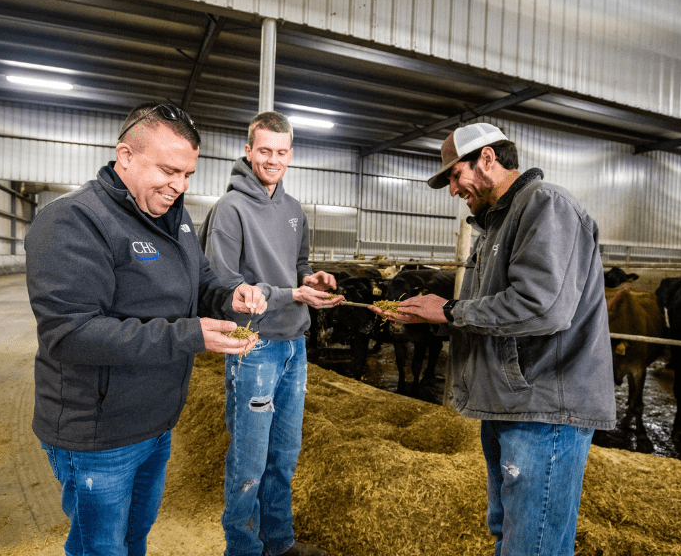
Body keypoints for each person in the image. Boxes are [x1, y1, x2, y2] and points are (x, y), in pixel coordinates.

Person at [25, 102, 266, 556]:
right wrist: (190, 335)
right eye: (170, 170)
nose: (180, 185)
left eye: (188, 174)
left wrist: (230, 296)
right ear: (126, 155)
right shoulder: (72, 221)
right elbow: (70, 333)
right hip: (98, 432)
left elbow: (202, 282)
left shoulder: (175, 218)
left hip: (155, 423)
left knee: (134, 538)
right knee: (101, 549)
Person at [370, 122, 615, 556]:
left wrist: (449, 310)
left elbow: (542, 306)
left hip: (544, 408)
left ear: (487, 158)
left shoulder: (545, 206)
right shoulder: (499, 223)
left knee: (532, 544)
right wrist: (437, 313)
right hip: (512, 403)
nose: (452, 190)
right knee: (509, 532)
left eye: (454, 175)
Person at [199, 111, 340, 556]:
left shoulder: (295, 210)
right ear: (248, 150)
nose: (273, 160)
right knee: (249, 459)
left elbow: (298, 265)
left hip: (294, 346)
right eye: (264, 150)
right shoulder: (230, 210)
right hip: (253, 346)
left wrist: (312, 280)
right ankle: (242, 548)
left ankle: (279, 543)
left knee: (284, 454)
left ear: (291, 154)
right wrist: (287, 294)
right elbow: (221, 284)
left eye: (281, 152)